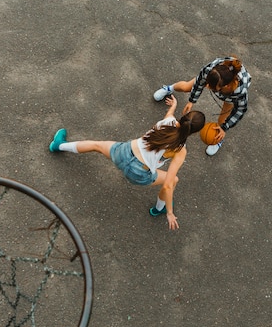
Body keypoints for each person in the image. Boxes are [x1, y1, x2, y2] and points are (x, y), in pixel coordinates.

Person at [48, 95, 205, 230]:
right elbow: (168, 185)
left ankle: (58, 145)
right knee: (174, 180)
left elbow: (170, 115)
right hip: (138, 173)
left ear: (184, 117)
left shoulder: (168, 122)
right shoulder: (180, 150)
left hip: (124, 152)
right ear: (194, 132)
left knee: (96, 145)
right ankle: (158, 209)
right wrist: (170, 213)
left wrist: (174, 106)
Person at [153, 56, 251, 156]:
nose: (207, 86)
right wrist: (192, 100)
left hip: (230, 96)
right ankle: (169, 88)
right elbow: (199, 83)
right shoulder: (210, 70)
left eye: (211, 86)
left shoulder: (239, 92)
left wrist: (224, 128)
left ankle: (217, 138)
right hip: (218, 81)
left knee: (222, 121)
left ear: (226, 86)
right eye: (207, 83)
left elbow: (240, 110)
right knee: (186, 87)